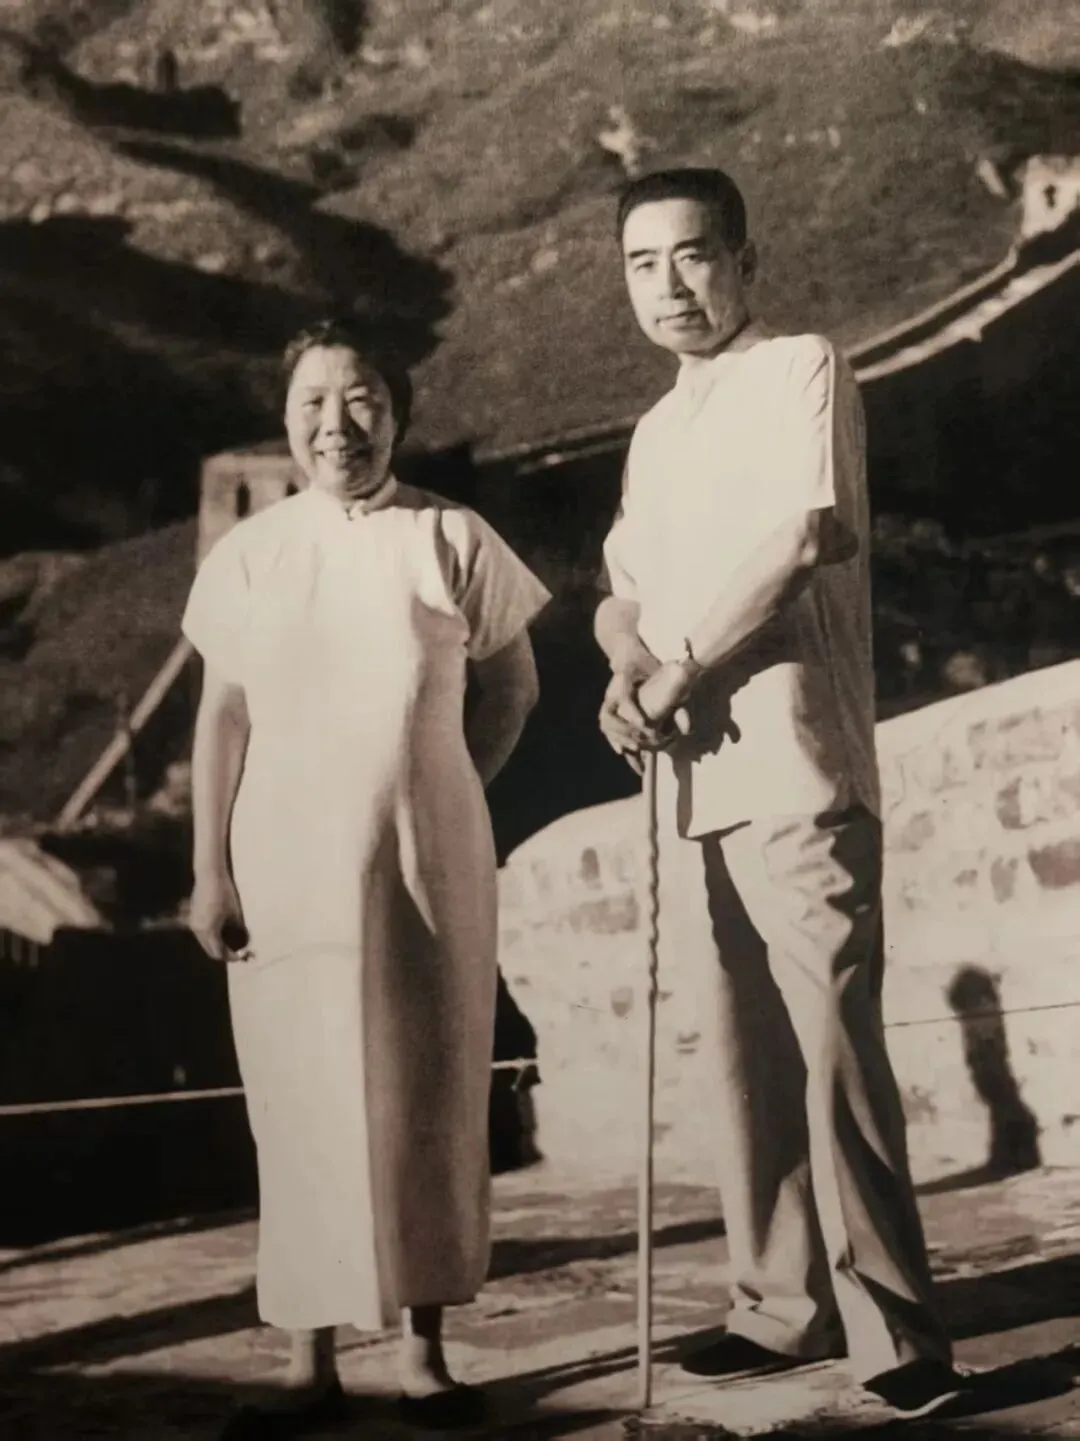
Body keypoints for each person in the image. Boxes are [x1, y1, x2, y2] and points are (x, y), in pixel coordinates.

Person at [594, 168, 969, 1419]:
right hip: (690, 776)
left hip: (797, 760)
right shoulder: (656, 430)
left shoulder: (802, 366)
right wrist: (626, 665)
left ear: (745, 261)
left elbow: (803, 536)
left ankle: (897, 1332)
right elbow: (621, 588)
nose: (670, 285)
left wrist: (682, 666)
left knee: (832, 1046)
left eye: (694, 255)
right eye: (643, 264)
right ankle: (777, 1305)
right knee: (741, 1056)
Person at [184, 317, 550, 1437]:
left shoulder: (451, 536)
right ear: (284, 420)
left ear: (398, 415)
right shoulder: (251, 555)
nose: (337, 425)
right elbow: (222, 717)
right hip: (283, 871)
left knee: (428, 1093)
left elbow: (514, 688)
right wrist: (210, 870)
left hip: (426, 864)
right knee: (299, 1103)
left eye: (361, 401)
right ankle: (309, 1361)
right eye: (313, 403)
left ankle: (424, 1356)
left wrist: (445, 790)